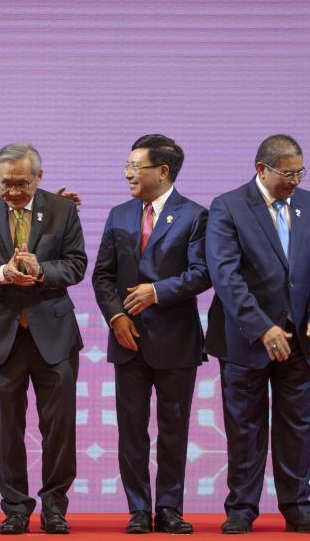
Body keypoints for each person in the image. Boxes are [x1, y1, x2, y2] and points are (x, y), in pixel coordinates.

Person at [205, 134, 310, 534]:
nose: (296, 180)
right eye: (287, 173)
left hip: (300, 338)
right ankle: (241, 508)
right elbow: (225, 274)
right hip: (245, 338)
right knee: (244, 427)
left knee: (296, 424)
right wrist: (263, 327)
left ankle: (297, 506)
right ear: (262, 169)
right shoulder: (228, 206)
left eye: (300, 172)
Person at [0, 142, 86, 535]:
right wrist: (1, 273)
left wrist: (42, 269)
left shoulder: (63, 210)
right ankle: (15, 507)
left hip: (53, 336)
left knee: (59, 428)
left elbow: (77, 265)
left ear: (39, 177)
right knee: (6, 429)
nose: (12, 191)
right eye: (5, 183)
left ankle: (54, 507)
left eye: (21, 183)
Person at [91, 134, 209, 534]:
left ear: (162, 171)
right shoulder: (119, 214)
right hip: (127, 339)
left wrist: (157, 292)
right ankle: (139, 509)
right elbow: (103, 275)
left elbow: (201, 273)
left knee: (174, 430)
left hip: (176, 341)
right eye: (126, 166)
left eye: (134, 166)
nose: (127, 173)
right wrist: (114, 318)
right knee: (132, 429)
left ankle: (170, 507)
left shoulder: (194, 215)